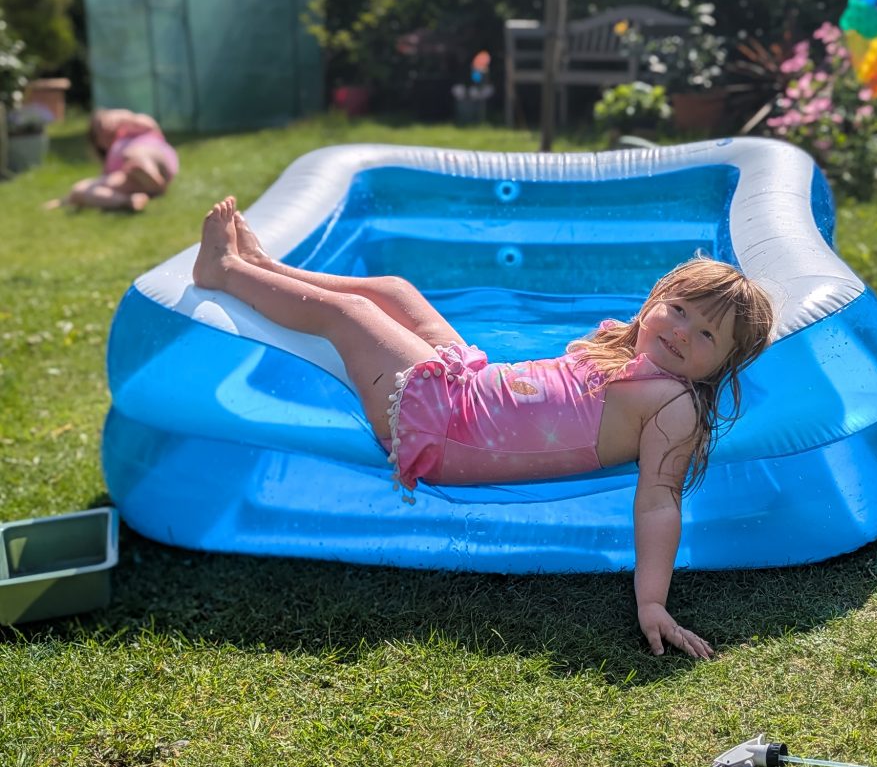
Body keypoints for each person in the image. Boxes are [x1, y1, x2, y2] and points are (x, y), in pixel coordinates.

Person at [193, 196, 775, 658]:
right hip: (469, 387)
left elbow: (658, 502)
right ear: (655, 300)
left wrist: (653, 601)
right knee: (397, 291)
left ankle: (223, 272)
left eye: (706, 336)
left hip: (445, 427)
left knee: (355, 315)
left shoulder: (674, 405)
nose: (681, 333)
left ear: (723, 364)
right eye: (679, 311)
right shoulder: (627, 351)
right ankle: (268, 269)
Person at [45, 108, 179, 212]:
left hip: (157, 158)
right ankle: (128, 201)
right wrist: (64, 200)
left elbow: (150, 124)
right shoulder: (111, 158)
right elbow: (105, 181)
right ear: (96, 142)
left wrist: (124, 118)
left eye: (105, 125)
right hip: (130, 177)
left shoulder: (132, 130)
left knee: (134, 154)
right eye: (99, 132)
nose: (105, 132)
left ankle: (152, 178)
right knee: (79, 190)